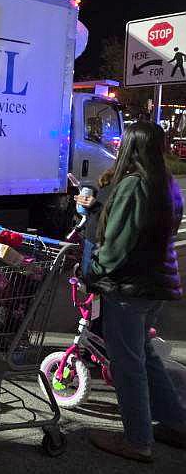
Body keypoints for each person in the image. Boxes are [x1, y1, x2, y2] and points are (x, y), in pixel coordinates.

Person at [87, 121, 186, 462]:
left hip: (129, 288)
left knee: (128, 364)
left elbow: (116, 246)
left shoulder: (134, 185)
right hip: (157, 285)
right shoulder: (168, 186)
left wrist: (92, 272)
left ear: (130, 146)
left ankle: (138, 440)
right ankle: (175, 423)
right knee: (143, 355)